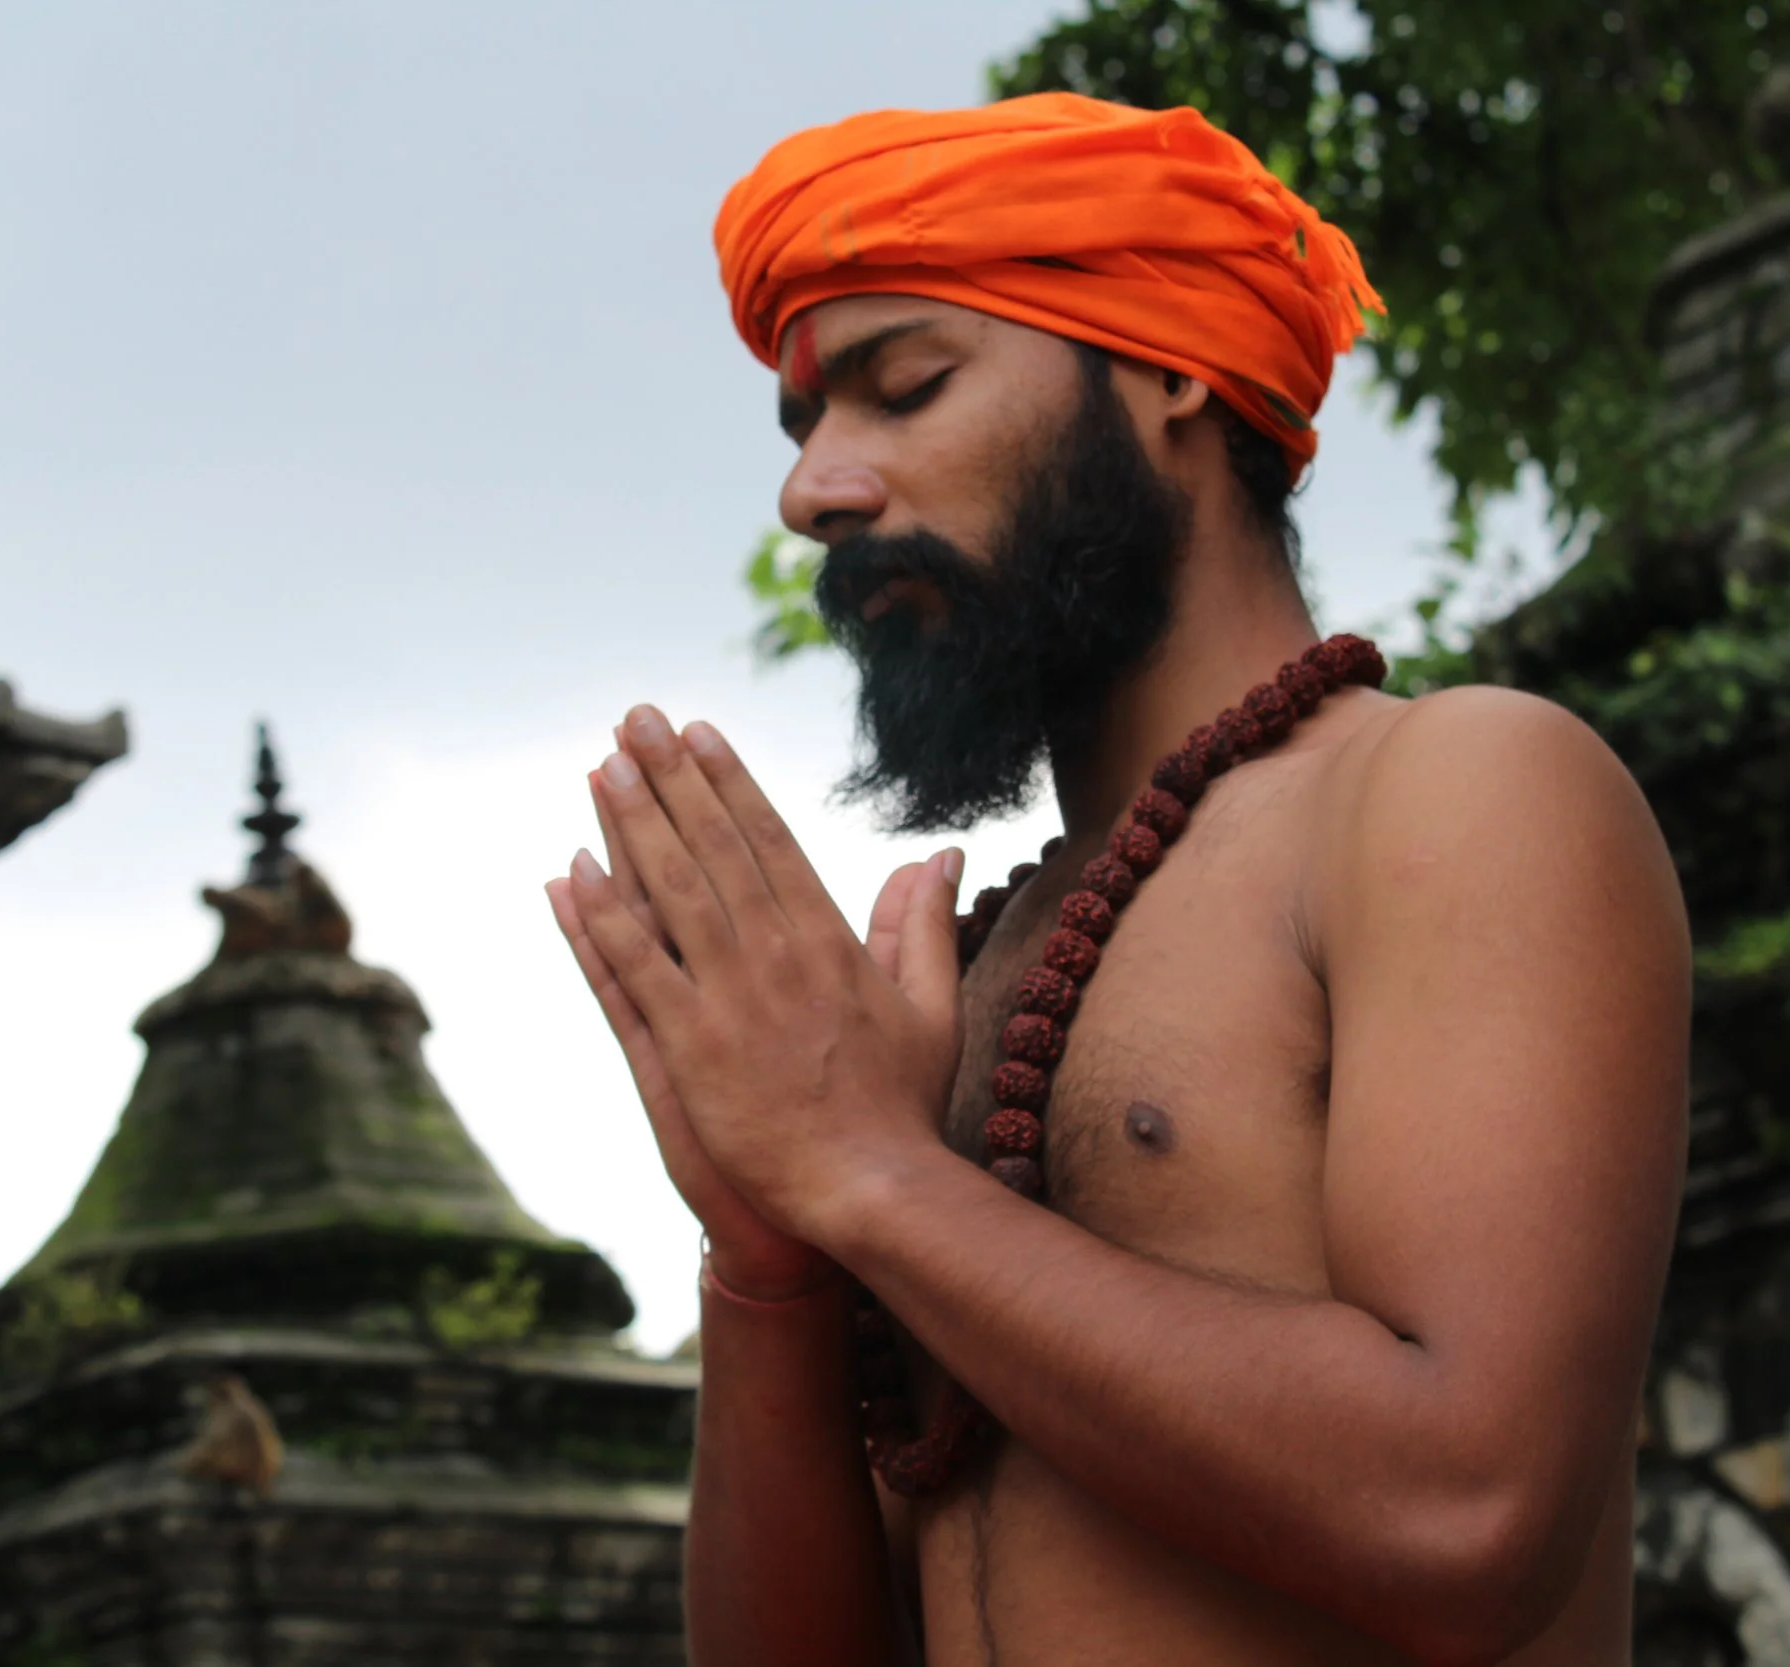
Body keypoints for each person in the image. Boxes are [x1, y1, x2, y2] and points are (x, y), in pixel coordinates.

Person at [544, 93, 1691, 1666]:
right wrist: (770, 1264)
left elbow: (1467, 1517)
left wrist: (872, 1176)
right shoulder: (967, 983)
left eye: (905, 388)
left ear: (1168, 370)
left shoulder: (1455, 790)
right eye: (809, 427)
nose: (817, 491)